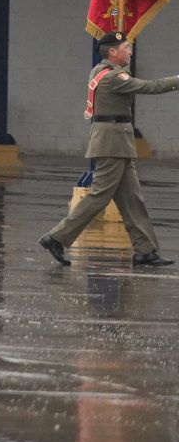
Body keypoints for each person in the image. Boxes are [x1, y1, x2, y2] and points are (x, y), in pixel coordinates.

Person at [40, 30, 179, 267]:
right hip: (112, 142)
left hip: (117, 141)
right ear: (112, 52)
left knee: (132, 200)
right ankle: (56, 237)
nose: (130, 52)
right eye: (126, 48)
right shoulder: (114, 77)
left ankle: (146, 251)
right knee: (99, 196)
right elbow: (151, 87)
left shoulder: (101, 70)